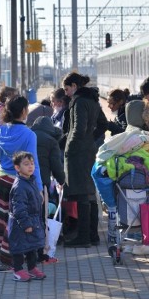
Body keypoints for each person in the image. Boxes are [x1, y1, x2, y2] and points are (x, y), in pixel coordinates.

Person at [0, 95, 41, 270]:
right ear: (23, 111)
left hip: (0, 179)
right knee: (15, 220)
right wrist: (38, 187)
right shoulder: (29, 134)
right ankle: (7, 260)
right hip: (19, 182)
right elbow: (33, 163)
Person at [62, 72, 108, 248]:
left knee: (81, 193)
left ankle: (83, 238)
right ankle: (93, 235)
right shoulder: (93, 100)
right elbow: (103, 124)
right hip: (89, 149)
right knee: (89, 192)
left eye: (67, 89)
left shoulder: (79, 101)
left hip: (77, 151)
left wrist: (70, 147)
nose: (65, 93)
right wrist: (91, 138)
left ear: (74, 86)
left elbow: (78, 128)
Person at [31, 115, 66, 263]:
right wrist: (62, 180)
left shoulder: (30, 135)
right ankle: (40, 252)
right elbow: (56, 164)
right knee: (41, 218)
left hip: (24, 182)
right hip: (42, 184)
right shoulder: (51, 141)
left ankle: (28, 252)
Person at [8, 151, 47, 282]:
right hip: (21, 224)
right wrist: (26, 223)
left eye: (32, 163)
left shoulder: (31, 181)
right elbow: (19, 207)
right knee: (18, 247)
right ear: (17, 168)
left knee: (32, 246)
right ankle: (17, 270)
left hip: (33, 220)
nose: (30, 166)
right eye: (26, 164)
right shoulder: (20, 186)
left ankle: (32, 268)